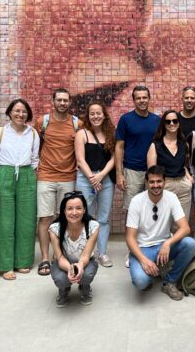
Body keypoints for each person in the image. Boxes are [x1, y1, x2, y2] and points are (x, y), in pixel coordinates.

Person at [125, 166, 195, 301]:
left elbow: (185, 228)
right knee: (141, 282)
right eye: (152, 182)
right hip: (143, 248)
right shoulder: (136, 201)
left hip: (163, 246)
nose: (155, 185)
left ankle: (169, 282)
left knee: (190, 243)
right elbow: (130, 238)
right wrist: (144, 260)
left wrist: (168, 243)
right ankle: (151, 270)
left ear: (164, 182)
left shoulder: (171, 198)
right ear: (146, 182)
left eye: (159, 181)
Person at [34, 88, 82, 277]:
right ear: (53, 101)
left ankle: (59, 255)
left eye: (65, 100)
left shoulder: (77, 123)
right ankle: (45, 258)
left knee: (65, 217)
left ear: (70, 102)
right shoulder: (43, 122)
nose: (62, 103)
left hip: (68, 177)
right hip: (45, 176)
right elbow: (35, 145)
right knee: (45, 218)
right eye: (59, 100)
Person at [0, 98, 39, 281]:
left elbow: (35, 158)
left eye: (24, 111)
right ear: (9, 113)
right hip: (5, 173)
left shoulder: (33, 133)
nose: (21, 114)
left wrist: (31, 175)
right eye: (17, 111)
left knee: (27, 220)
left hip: (27, 174)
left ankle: (22, 261)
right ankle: (6, 265)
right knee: (4, 221)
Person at [115, 85, 160, 267]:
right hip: (132, 171)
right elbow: (119, 147)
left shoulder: (157, 120)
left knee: (151, 211)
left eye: (144, 97)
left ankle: (148, 247)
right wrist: (119, 173)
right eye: (138, 98)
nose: (142, 100)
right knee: (132, 212)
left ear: (149, 99)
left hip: (152, 173)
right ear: (133, 100)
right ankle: (132, 251)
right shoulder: (126, 120)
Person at [75, 101, 116, 268]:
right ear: (88, 116)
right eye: (92, 113)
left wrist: (101, 175)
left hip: (105, 179)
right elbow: (80, 160)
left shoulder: (111, 134)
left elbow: (114, 158)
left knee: (103, 218)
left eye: (99, 113)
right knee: (86, 216)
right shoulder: (82, 134)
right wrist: (93, 178)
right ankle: (88, 252)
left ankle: (102, 252)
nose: (96, 116)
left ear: (104, 115)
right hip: (86, 179)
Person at [49, 191, 99, 307]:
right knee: (61, 279)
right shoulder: (54, 228)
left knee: (86, 275)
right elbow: (59, 257)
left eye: (78, 208)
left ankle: (85, 287)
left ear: (84, 209)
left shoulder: (93, 226)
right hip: (63, 261)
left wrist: (80, 266)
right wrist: (70, 269)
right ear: (64, 211)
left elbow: (86, 256)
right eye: (70, 209)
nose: (74, 212)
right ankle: (64, 290)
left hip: (85, 261)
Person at [147, 110, 194, 220]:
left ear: (178, 123)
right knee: (164, 223)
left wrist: (189, 179)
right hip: (165, 186)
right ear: (164, 124)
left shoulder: (184, 144)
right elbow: (151, 172)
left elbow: (185, 165)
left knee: (182, 222)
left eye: (175, 121)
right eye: (168, 121)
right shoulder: (155, 145)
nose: (172, 123)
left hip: (183, 186)